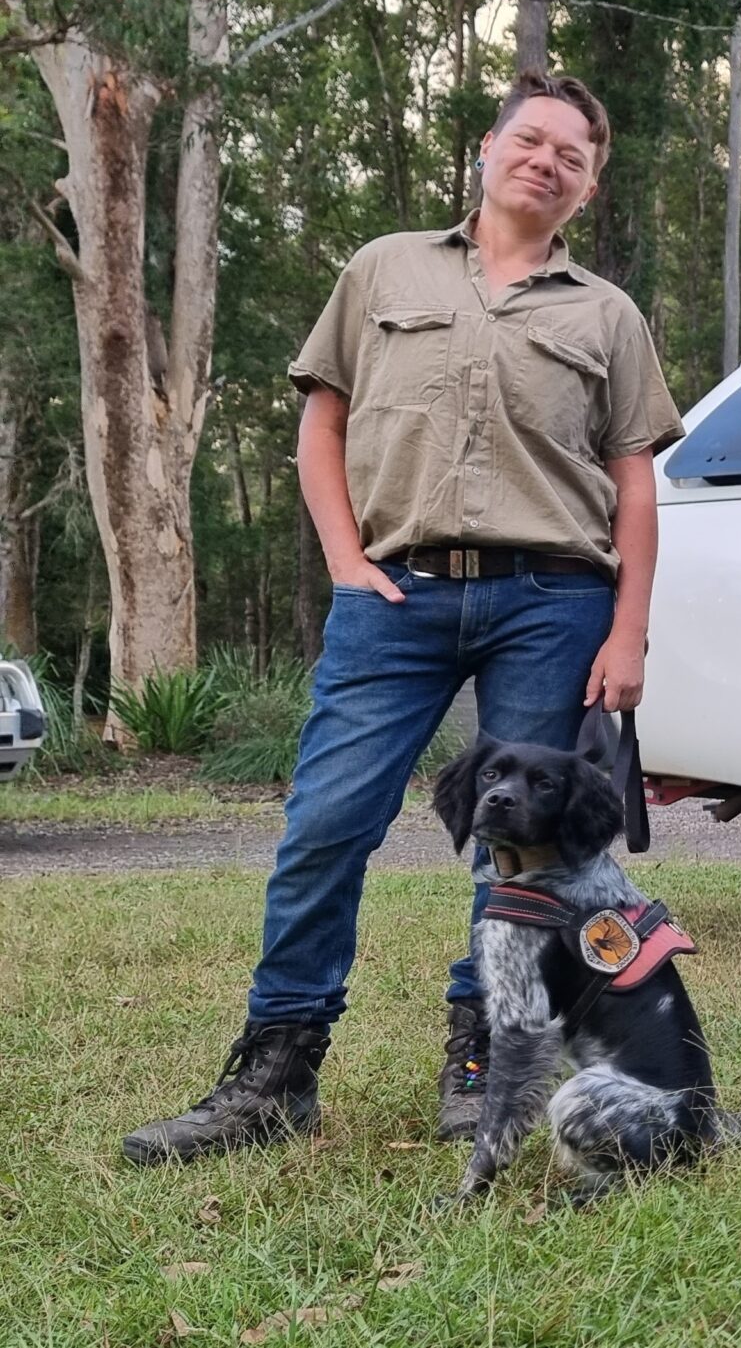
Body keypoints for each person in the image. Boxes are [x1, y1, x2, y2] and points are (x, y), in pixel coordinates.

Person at [123, 71, 684, 1165]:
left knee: (517, 854)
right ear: (488, 147)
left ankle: (481, 1051)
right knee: (327, 821)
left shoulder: (606, 315)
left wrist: (628, 630)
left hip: (553, 598)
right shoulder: (382, 267)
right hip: (395, 594)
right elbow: (320, 425)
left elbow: (634, 484)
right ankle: (276, 1072)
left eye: (572, 155)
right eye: (532, 140)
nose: (547, 162)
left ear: (589, 186)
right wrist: (345, 560)